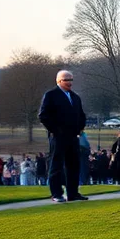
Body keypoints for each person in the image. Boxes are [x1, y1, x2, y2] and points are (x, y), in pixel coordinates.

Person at [37, 69, 88, 203]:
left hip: (73, 136)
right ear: (59, 81)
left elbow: (81, 114)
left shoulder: (75, 97)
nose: (70, 82)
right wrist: (56, 130)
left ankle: (73, 193)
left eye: (71, 79)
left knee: (73, 165)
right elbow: (43, 116)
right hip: (58, 137)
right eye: (66, 80)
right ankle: (56, 193)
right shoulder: (51, 95)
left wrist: (80, 128)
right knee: (57, 165)